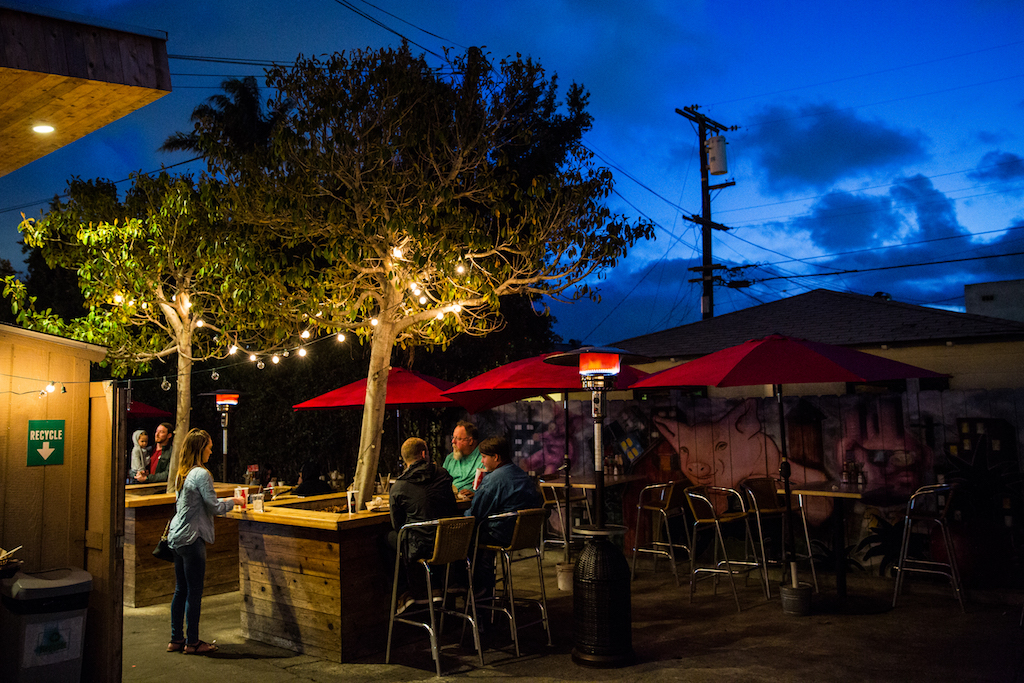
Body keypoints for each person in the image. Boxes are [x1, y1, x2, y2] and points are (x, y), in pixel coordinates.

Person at [165, 428, 244, 655]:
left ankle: (176, 639)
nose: (211, 451)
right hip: (192, 537)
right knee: (194, 591)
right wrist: (235, 501)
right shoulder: (201, 474)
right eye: (209, 447)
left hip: (176, 537)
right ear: (201, 449)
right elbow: (214, 507)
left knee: (180, 589)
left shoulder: (183, 473)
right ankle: (193, 642)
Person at [464, 436, 542, 594]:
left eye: (484, 457)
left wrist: (460, 514)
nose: (482, 462)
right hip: (522, 534)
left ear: (496, 457)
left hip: (500, 534)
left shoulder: (494, 479)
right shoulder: (521, 474)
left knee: (462, 537)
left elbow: (476, 513)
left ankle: (473, 591)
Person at [388, 437, 458, 612]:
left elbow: (397, 525)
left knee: (389, 539)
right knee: (427, 534)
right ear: (423, 454)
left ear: (404, 458)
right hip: (451, 541)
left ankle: (405, 594)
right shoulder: (442, 474)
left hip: (422, 547)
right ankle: (438, 587)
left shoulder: (399, 486)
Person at [443, 420, 483, 499]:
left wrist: (476, 494)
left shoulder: (484, 458)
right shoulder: (450, 458)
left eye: (458, 438)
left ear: (470, 441)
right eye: (453, 437)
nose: (453, 441)